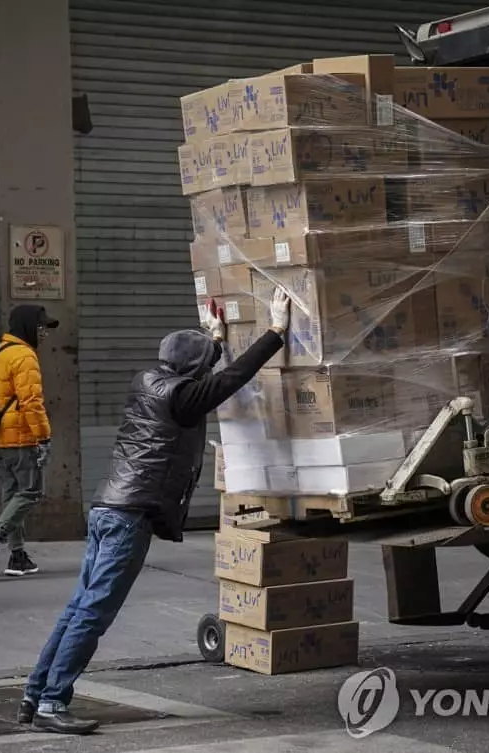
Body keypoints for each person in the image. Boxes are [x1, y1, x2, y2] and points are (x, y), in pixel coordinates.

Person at [18, 287, 291, 735]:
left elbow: (203, 373)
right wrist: (276, 331)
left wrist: (214, 337)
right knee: (93, 614)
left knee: (79, 607)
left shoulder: (147, 381)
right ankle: (52, 702)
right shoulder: (183, 398)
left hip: (107, 507)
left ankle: (34, 695)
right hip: (130, 515)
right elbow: (230, 378)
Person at [0, 305, 58, 579]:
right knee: (30, 492)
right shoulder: (24, 356)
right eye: (41, 327)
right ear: (28, 326)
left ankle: (17, 557)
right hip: (20, 437)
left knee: (13, 495)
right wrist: (43, 437)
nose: (44, 333)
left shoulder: (0, 351)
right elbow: (31, 402)